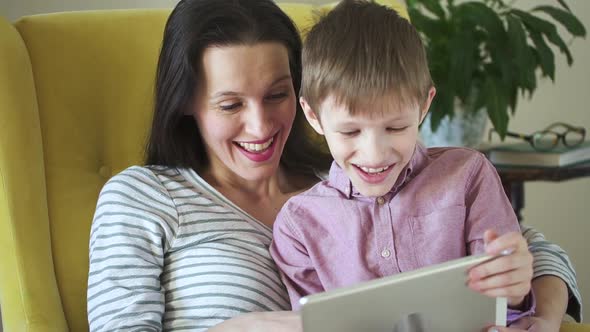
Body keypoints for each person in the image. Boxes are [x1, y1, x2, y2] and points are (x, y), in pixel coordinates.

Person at [86, 0, 582, 331]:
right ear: (187, 103)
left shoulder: (352, 174)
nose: (260, 127)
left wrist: (541, 310)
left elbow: (528, 249)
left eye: (276, 95)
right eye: (230, 105)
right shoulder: (147, 196)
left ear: (305, 100)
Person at [270, 0, 535, 324]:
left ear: (424, 106)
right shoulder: (299, 226)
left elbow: (505, 306)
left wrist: (515, 288)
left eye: (395, 128)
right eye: (350, 131)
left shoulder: (468, 177)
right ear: (313, 116)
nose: (374, 153)